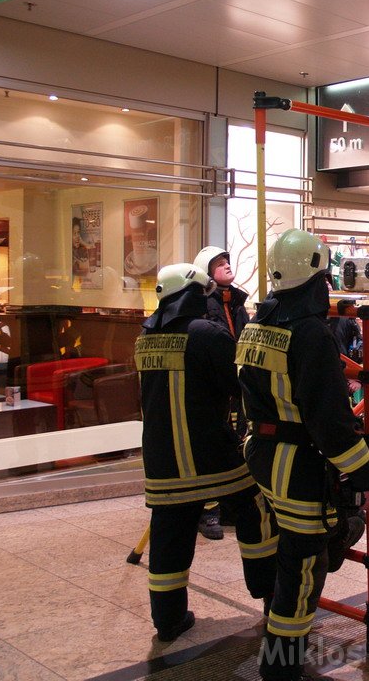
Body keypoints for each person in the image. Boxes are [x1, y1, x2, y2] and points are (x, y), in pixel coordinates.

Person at [237, 229, 369, 681]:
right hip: (296, 462)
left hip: (259, 455)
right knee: (304, 568)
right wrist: (367, 477)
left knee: (289, 549)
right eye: (324, 276)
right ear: (315, 277)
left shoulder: (257, 323)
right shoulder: (311, 336)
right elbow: (331, 422)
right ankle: (280, 667)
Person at [136, 263, 277, 643]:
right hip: (211, 455)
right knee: (256, 513)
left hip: (162, 460)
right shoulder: (207, 334)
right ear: (196, 295)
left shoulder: (144, 337)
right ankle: (270, 598)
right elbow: (239, 385)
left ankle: (168, 621)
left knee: (170, 535)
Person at [192, 245, 251, 540]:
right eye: (220, 263)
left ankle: (228, 508)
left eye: (228, 260)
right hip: (216, 389)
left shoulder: (237, 304)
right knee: (212, 447)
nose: (227, 265)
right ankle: (208, 511)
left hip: (237, 386)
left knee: (237, 444)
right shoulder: (204, 305)